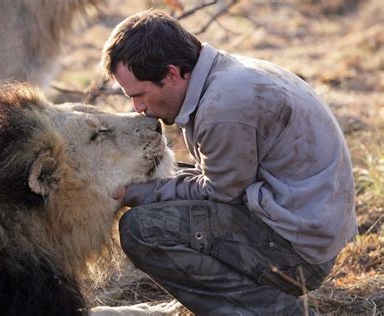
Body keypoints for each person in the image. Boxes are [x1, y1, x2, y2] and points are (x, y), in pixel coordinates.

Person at [101, 10, 357, 315]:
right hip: (304, 223)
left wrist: (135, 193)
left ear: (171, 74)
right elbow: (219, 180)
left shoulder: (224, 106)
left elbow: (218, 193)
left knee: (143, 229)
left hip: (300, 256)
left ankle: (272, 309)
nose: (138, 107)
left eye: (140, 94)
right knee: (165, 189)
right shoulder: (222, 76)